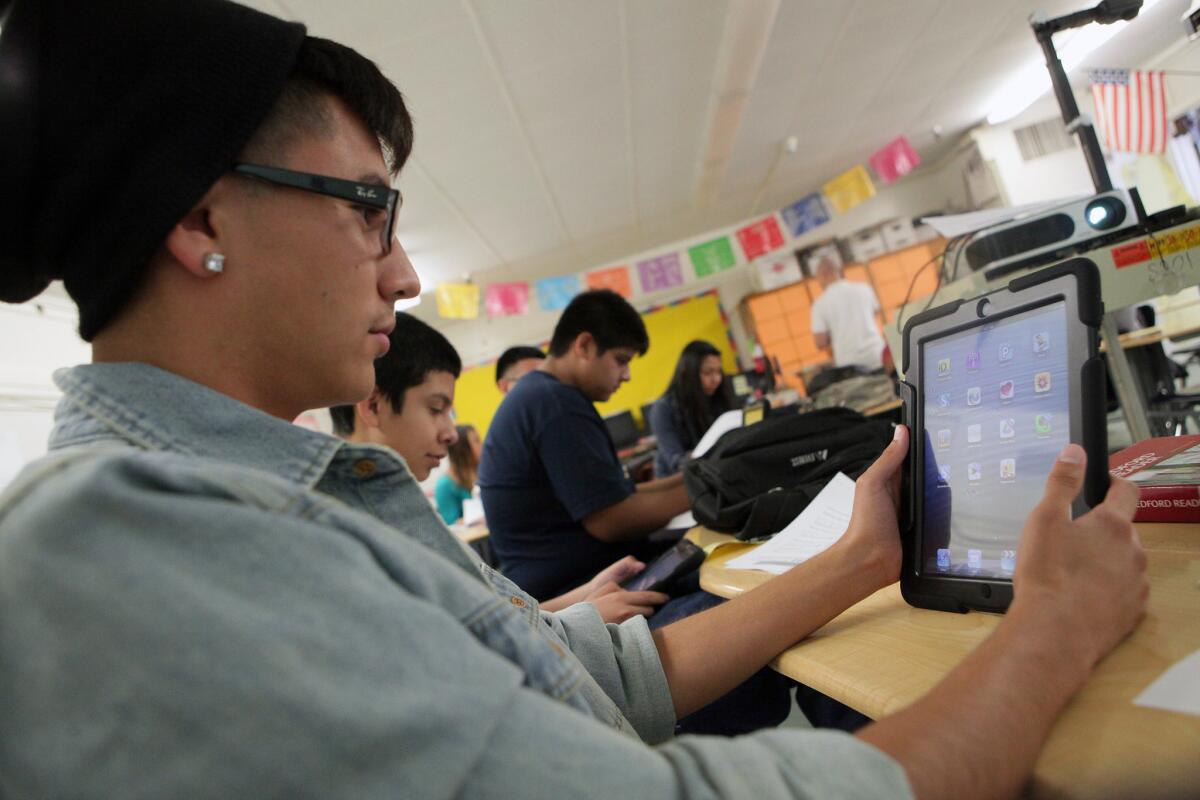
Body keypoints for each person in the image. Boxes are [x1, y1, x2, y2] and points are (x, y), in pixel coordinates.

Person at [0, 2, 1151, 798]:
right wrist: (1054, 629)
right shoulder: (119, 541)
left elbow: (586, 680)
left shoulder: (284, 495)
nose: (402, 273)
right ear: (201, 222)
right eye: (368, 208)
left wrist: (856, 558)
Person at [329, 312, 667, 623]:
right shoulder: (347, 536)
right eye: (435, 409)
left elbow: (490, 620)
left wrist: (586, 595)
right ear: (373, 406)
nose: (450, 434)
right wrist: (583, 615)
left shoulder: (395, 508)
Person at [478, 289, 693, 601]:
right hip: (578, 589)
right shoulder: (555, 402)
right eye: (621, 360)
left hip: (579, 578)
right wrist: (706, 489)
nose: (627, 375)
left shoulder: (542, 395)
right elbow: (611, 519)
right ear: (584, 345)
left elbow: (619, 493)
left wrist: (692, 478)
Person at [648, 339, 735, 477]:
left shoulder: (716, 398)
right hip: (681, 485)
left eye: (719, 371)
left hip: (714, 473)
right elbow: (677, 462)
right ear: (689, 373)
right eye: (708, 373)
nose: (716, 379)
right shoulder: (663, 410)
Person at [810, 258, 887, 372]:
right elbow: (875, 313)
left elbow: (820, 342)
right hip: (877, 354)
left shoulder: (820, 304)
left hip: (850, 364)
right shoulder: (864, 289)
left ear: (823, 274)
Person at [436, 424, 480, 525]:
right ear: (463, 449)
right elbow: (451, 525)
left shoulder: (482, 474)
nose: (482, 445)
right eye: (476, 441)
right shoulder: (445, 485)